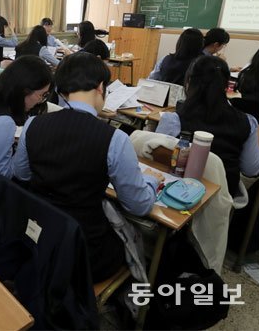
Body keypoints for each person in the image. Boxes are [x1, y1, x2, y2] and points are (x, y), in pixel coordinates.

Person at [12, 52, 163, 283]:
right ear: (101, 87)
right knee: (127, 237)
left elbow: (21, 174)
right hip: (84, 253)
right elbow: (139, 205)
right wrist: (151, 181)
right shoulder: (115, 139)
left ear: (62, 92)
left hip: (37, 237)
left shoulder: (33, 124)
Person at [156, 56, 259, 197]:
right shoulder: (248, 122)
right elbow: (252, 170)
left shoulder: (174, 120)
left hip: (177, 194)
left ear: (189, 82)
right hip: (223, 196)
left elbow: (156, 161)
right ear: (227, 85)